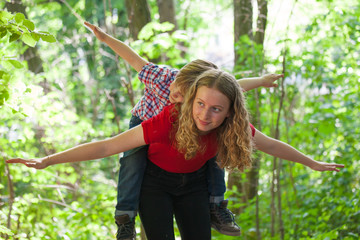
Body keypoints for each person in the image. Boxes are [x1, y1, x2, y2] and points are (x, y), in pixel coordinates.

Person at [6, 68, 344, 240]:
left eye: (216, 109)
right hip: (154, 187)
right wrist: (48, 160)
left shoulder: (232, 128)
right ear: (192, 99)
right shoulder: (168, 119)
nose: (205, 115)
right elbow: (108, 146)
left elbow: (271, 145)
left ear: (229, 113)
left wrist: (312, 163)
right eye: (200, 104)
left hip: (194, 187)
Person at [84, 21, 283, 239]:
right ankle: (125, 218)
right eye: (179, 92)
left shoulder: (199, 100)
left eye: (186, 98)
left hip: (178, 132)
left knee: (211, 149)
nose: (177, 99)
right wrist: (104, 38)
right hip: (144, 121)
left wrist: (262, 81)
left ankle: (217, 206)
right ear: (178, 78)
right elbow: (132, 57)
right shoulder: (160, 76)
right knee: (132, 160)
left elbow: (233, 86)